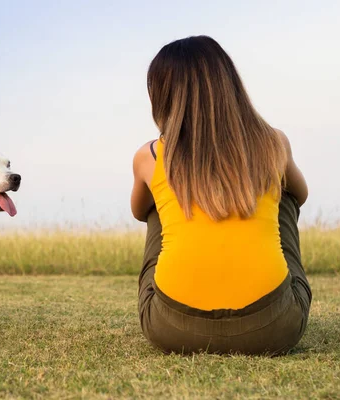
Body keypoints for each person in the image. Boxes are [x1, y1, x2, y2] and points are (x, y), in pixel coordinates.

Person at [131, 36, 312, 355]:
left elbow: (138, 210)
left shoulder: (150, 156)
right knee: (283, 195)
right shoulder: (274, 144)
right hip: (274, 328)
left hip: (172, 329)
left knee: (156, 207)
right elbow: (301, 194)